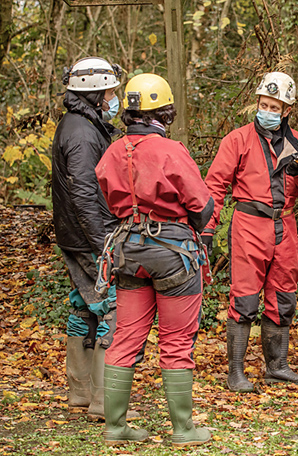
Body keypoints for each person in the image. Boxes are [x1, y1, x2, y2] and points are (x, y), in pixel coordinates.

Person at [95, 73, 215, 446]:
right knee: (176, 341)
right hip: (174, 253)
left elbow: (105, 200)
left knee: (126, 336)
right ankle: (183, 429)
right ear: (164, 112)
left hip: (128, 250)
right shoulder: (170, 150)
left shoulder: (113, 152)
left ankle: (116, 427)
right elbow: (203, 206)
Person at [203, 71, 298, 392]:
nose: (266, 111)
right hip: (248, 224)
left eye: (274, 106)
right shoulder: (238, 139)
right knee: (244, 298)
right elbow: (214, 187)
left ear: (286, 111)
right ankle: (236, 373)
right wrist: (206, 229)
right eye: (263, 104)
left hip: (285, 224)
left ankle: (277, 367)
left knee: (283, 295)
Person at [51, 56, 123, 420]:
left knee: (82, 306)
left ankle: (80, 393)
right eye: (111, 91)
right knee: (113, 307)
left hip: (74, 234)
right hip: (88, 237)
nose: (115, 98)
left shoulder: (80, 123)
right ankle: (104, 401)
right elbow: (83, 192)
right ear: (96, 94)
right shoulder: (81, 132)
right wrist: (103, 243)